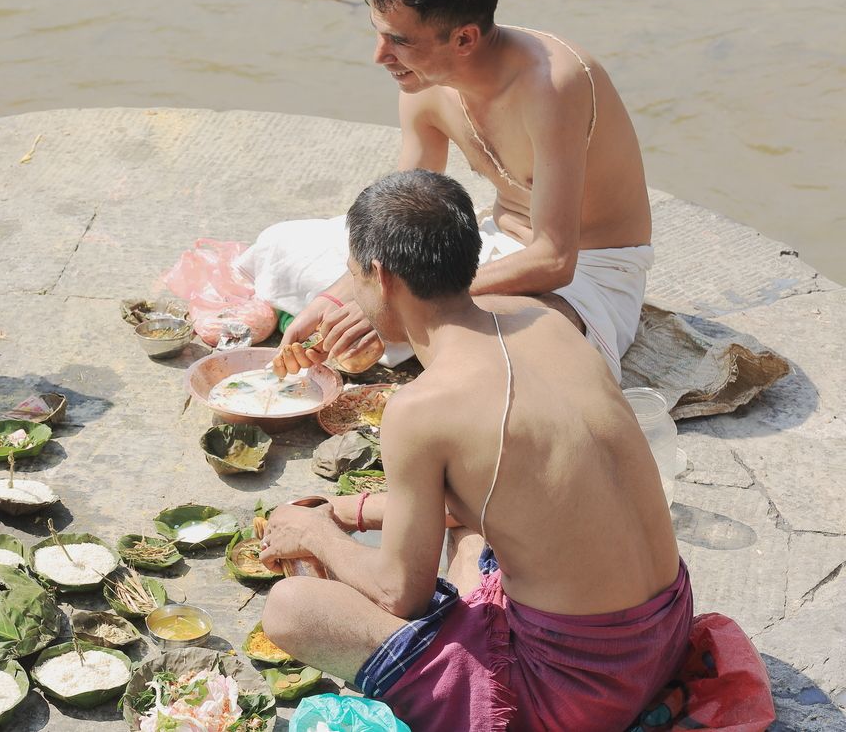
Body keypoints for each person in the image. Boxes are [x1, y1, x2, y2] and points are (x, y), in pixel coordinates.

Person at [261, 171, 690, 731]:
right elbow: (516, 488)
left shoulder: (419, 409)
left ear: (381, 276)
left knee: (291, 608)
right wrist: (355, 508)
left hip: (572, 694)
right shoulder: (549, 320)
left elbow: (399, 596)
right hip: (665, 635)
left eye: (353, 273)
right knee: (471, 535)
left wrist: (315, 534)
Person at [253, 0, 653, 380]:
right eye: (380, 33)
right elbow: (398, 220)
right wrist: (336, 298)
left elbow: (555, 259)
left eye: (400, 41)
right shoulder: (421, 82)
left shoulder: (553, 85)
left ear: (464, 39)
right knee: (280, 248)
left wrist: (398, 306)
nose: (380, 56)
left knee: (521, 357)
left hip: (588, 273)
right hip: (480, 250)